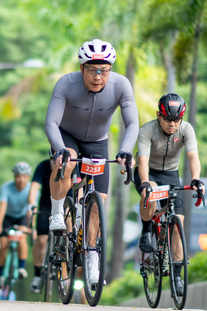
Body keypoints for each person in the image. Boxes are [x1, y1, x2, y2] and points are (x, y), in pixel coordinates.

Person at [45, 38, 139, 287]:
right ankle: (57, 212)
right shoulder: (66, 83)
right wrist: (60, 149)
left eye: (104, 71)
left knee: (99, 202)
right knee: (67, 162)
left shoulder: (121, 85)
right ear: (81, 68)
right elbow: (51, 122)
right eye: (92, 70)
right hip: (67, 136)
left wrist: (125, 151)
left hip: (97, 141)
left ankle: (92, 258)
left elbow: (132, 123)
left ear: (111, 70)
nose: (98, 76)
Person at [134, 93, 205, 296]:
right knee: (150, 193)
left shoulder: (186, 129)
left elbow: (193, 157)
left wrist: (196, 179)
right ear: (159, 115)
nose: (172, 124)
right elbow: (143, 160)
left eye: (176, 119)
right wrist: (145, 183)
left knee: (178, 224)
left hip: (171, 175)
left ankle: (177, 277)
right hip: (148, 172)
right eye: (167, 119)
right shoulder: (147, 130)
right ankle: (147, 230)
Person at [0, 162, 32, 288]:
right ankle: (1, 274)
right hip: (8, 217)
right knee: (3, 245)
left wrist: (31, 227)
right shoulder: (6, 187)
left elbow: (31, 209)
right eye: (18, 176)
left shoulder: (31, 189)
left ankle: (21, 267)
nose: (21, 180)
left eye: (24, 177)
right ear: (14, 177)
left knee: (22, 239)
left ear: (28, 177)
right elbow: (2, 207)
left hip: (22, 217)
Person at [27, 154, 55, 293]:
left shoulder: (71, 165)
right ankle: (37, 274)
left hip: (65, 205)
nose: (55, 163)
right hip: (46, 206)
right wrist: (31, 205)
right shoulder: (43, 166)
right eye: (52, 160)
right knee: (41, 239)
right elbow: (34, 187)